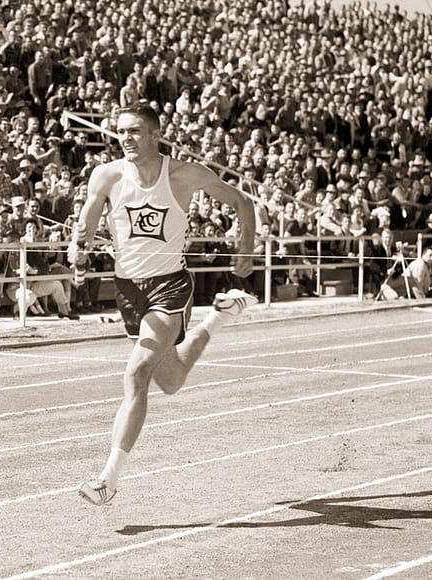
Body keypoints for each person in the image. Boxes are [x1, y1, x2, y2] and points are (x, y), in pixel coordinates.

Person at [66, 103, 257, 506]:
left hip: (170, 285)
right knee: (169, 380)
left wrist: (246, 248)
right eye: (121, 131)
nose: (126, 138)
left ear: (155, 134)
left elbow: (242, 202)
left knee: (136, 375)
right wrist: (77, 246)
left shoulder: (185, 174)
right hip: (128, 291)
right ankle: (216, 319)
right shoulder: (107, 174)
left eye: (134, 131)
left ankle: (107, 480)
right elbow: (87, 219)